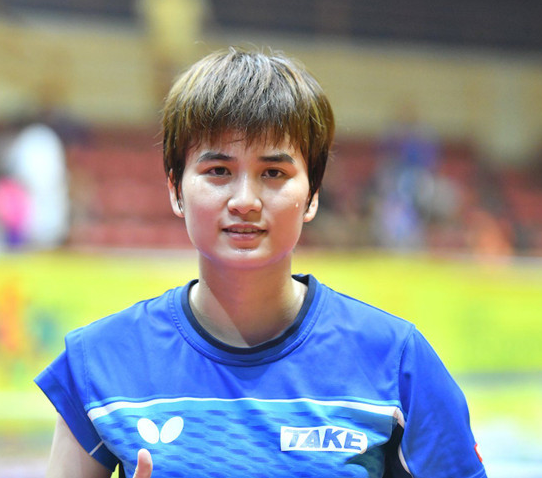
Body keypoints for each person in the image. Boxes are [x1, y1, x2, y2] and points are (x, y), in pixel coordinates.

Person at [36, 49, 487, 478]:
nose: (245, 201)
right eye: (218, 171)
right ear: (175, 189)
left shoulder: (398, 361)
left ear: (312, 195)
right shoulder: (98, 361)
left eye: (273, 173)